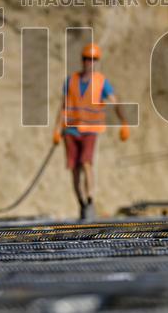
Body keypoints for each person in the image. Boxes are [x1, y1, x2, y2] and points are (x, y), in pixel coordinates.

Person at [53, 43, 130, 220]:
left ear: (97, 61)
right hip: (70, 130)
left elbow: (115, 102)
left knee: (86, 163)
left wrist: (124, 123)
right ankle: (81, 202)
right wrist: (56, 130)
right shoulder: (71, 80)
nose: (90, 62)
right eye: (87, 59)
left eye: (93, 59)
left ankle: (89, 200)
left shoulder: (101, 82)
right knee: (74, 169)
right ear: (82, 60)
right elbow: (63, 107)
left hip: (90, 130)